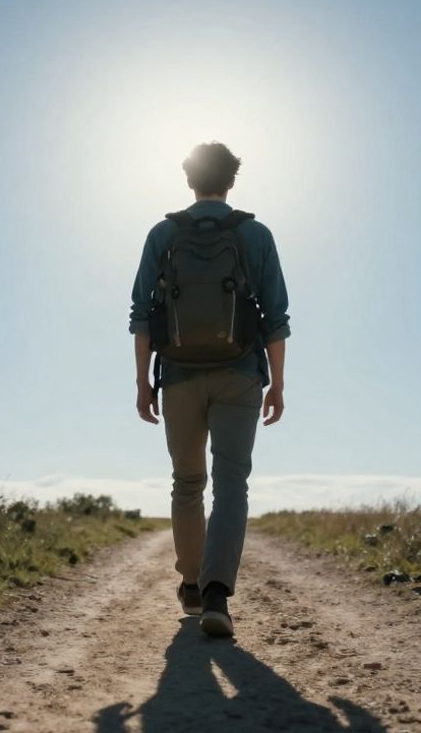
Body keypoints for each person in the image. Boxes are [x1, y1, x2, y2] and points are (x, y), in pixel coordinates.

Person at [128, 142, 291, 638]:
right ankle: (218, 593)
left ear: (189, 180)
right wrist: (277, 384)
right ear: (231, 181)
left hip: (177, 376)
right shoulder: (255, 234)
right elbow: (276, 317)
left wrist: (143, 382)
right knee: (231, 483)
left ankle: (192, 585)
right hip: (240, 373)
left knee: (187, 483)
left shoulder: (163, 234)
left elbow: (141, 314)